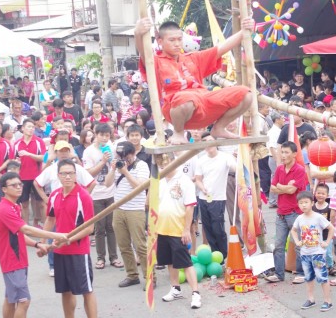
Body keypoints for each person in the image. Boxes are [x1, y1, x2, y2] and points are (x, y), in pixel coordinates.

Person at [134, 17, 254, 145]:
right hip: (176, 109)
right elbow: (144, 52)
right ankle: (178, 133)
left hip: (204, 103)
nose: (177, 44)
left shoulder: (193, 57)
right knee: (185, 98)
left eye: (179, 39)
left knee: (246, 94)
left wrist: (243, 31)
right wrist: (137, 33)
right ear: (160, 41)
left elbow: (221, 48)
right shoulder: (155, 61)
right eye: (172, 40)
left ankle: (219, 127)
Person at [0, 172, 68, 318]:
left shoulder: (15, 206)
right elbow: (25, 229)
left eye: (20, 184)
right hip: (12, 262)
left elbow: (19, 234)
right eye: (13, 185)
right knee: (23, 301)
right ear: (4, 189)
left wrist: (37, 245)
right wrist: (55, 235)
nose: (18, 187)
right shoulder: (5, 209)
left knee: (11, 298)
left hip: (18, 260)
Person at [43, 159, 97, 317]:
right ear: (58, 175)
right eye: (64, 173)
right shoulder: (54, 195)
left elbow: (89, 228)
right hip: (60, 252)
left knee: (86, 290)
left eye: (71, 173)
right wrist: (42, 242)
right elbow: (50, 219)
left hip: (79, 251)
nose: (67, 176)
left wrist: (68, 239)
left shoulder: (84, 196)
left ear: (76, 175)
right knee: (65, 291)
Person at [155, 153, 202, 309]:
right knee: (169, 261)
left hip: (178, 229)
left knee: (186, 263)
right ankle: (175, 288)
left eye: (166, 163)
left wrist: (186, 229)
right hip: (162, 228)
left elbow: (190, 206)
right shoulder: (160, 180)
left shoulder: (185, 181)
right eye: (161, 164)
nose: (163, 166)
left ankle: (195, 293)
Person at [104, 141, 150, 288]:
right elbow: (107, 183)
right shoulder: (118, 165)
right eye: (120, 156)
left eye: (126, 156)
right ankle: (132, 275)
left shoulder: (141, 165)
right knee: (123, 245)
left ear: (133, 153)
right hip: (118, 209)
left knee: (140, 246)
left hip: (135, 210)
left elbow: (140, 186)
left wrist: (125, 172)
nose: (124, 158)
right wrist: (113, 170)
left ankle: (150, 277)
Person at [265, 141, 307, 284]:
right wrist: (285, 187)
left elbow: (292, 190)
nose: (283, 155)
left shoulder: (300, 170)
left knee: (298, 244)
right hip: (281, 213)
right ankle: (279, 274)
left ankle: (301, 273)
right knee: (278, 245)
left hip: (295, 213)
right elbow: (272, 188)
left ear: (294, 154)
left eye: (286, 152)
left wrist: (281, 187)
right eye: (282, 152)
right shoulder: (279, 169)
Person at [83, 123, 122, 270]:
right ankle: (100, 258)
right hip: (96, 194)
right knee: (99, 228)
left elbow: (117, 166)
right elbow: (89, 174)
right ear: (95, 133)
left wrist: (113, 163)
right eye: (102, 135)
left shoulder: (112, 147)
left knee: (111, 227)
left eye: (107, 135)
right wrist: (103, 161)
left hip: (112, 192)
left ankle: (114, 257)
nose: (105, 138)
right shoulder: (89, 152)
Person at [290, 191, 334, 312]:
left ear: (312, 203)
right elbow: (293, 230)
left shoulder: (318, 217)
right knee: (308, 277)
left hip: (318, 253)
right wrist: (297, 241)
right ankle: (311, 299)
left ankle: (328, 301)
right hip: (305, 254)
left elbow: (331, 228)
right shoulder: (299, 218)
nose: (303, 205)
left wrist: (327, 242)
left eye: (306, 202)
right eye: (301, 203)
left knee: (322, 277)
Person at [194, 132, 236, 261]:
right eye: (206, 142)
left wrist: (238, 159)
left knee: (218, 228)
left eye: (211, 141)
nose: (209, 144)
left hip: (218, 198)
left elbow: (234, 167)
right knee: (208, 228)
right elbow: (198, 179)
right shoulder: (201, 160)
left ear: (216, 143)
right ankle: (214, 255)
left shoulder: (225, 157)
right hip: (203, 197)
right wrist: (202, 188)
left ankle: (223, 255)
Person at [14, 119, 46, 224]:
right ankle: (26, 226)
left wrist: (29, 154)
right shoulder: (17, 143)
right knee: (24, 204)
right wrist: (16, 162)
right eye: (28, 127)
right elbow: (13, 160)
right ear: (23, 128)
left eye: (33, 127)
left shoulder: (38, 141)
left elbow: (43, 158)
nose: (31, 129)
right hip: (22, 177)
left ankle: (46, 225)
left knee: (41, 202)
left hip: (37, 176)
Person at [312, 183, 336, 277]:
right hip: (316, 234)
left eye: (323, 194)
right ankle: (319, 267)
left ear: (327, 195)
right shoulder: (313, 207)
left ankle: (330, 266)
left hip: (327, 235)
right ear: (315, 193)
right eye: (318, 193)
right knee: (317, 252)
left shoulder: (329, 207)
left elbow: (331, 221)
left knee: (328, 252)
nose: (320, 195)